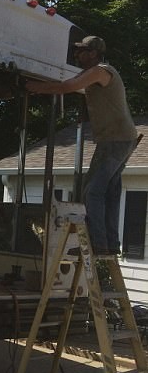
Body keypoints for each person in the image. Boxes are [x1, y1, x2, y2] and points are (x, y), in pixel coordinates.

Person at [26, 35, 137, 256]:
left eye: (81, 51)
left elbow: (67, 86)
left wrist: (33, 86)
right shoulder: (98, 73)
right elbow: (74, 84)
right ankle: (110, 244)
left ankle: (97, 244)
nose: (77, 55)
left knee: (92, 191)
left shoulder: (100, 71)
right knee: (110, 191)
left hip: (114, 140)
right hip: (123, 138)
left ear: (94, 53)